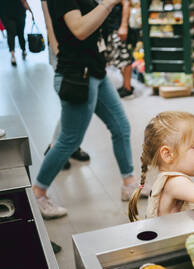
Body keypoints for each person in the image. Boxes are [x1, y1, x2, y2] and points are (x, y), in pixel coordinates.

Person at [33, 0, 148, 219]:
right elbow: (80, 29)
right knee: (70, 140)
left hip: (95, 71)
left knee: (120, 126)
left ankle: (129, 183)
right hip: (78, 76)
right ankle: (38, 193)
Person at [41, 0, 91, 171]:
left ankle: (72, 145)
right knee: (71, 99)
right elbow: (49, 22)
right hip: (64, 53)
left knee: (78, 105)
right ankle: (56, 147)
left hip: (81, 55)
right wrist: (58, 52)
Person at [103, 0, 135, 98]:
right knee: (119, 58)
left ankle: (128, 88)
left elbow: (126, 3)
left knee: (124, 57)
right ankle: (125, 86)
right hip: (110, 28)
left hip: (117, 29)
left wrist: (123, 26)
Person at [0, 0, 32, 66]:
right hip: (17, 11)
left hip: (6, 12)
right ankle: (22, 51)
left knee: (11, 33)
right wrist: (30, 10)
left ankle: (13, 55)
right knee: (20, 33)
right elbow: (23, 1)